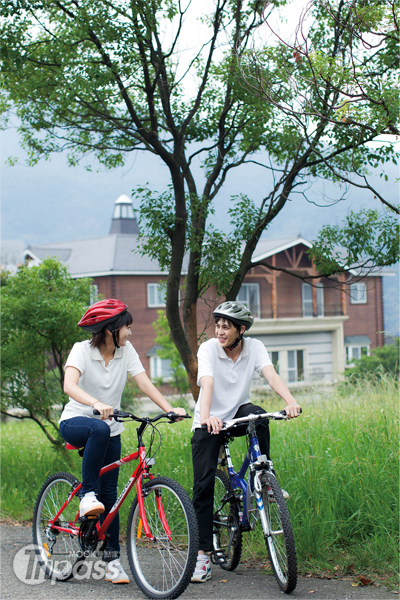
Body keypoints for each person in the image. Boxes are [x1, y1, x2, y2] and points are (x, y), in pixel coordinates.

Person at [59, 298, 186, 585]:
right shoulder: (81, 350)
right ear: (109, 330)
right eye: (126, 327)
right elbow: (69, 385)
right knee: (99, 430)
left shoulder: (125, 351)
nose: (129, 333)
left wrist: (168, 408)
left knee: (111, 498)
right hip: (76, 422)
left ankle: (111, 560)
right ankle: (85, 496)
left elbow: (144, 382)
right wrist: (96, 404)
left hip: (110, 430)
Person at [190, 301, 301, 584]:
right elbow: (207, 383)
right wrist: (206, 418)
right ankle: (202, 555)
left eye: (226, 326)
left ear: (241, 329)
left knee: (259, 415)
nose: (219, 331)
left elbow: (271, 375)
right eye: (217, 325)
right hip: (209, 418)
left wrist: (290, 401)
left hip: (238, 414)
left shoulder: (255, 347)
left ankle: (264, 475)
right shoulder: (208, 349)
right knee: (203, 486)